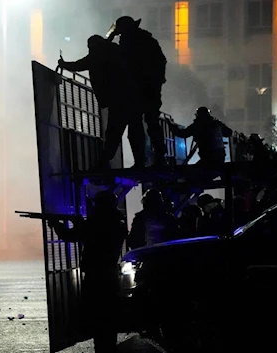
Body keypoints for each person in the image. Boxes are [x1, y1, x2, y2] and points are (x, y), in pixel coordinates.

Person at [47, 190, 127, 353]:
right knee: (108, 320)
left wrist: (56, 224)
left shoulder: (99, 224)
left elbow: (71, 235)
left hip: (96, 277)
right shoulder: (116, 223)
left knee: (98, 319)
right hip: (110, 275)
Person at [58, 35, 146, 169]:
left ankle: (104, 161)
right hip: (133, 97)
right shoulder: (115, 51)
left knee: (113, 132)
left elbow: (79, 65)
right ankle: (140, 162)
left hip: (118, 99)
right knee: (135, 131)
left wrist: (63, 64)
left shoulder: (97, 55)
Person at [107, 16, 168, 166]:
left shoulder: (128, 43)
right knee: (151, 123)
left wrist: (111, 36)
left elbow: (105, 49)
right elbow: (161, 62)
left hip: (136, 89)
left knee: (136, 124)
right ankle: (160, 157)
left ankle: (141, 160)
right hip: (150, 88)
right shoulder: (147, 40)